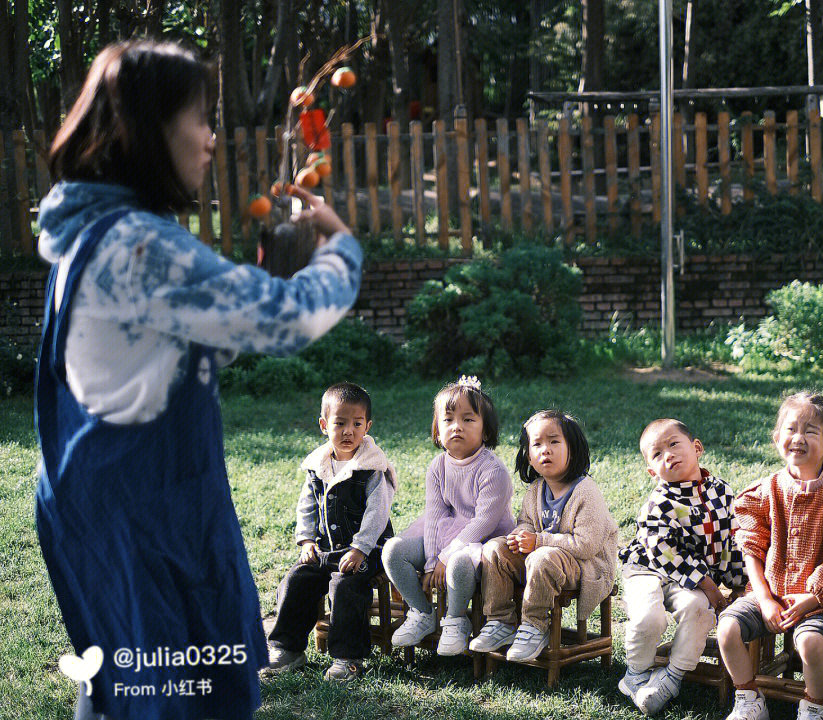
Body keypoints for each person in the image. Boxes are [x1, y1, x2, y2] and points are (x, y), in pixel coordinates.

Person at [34, 41, 363, 720]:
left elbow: (203, 338)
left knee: (135, 688)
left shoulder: (96, 231)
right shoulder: (138, 243)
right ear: (148, 128)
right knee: (177, 694)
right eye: (199, 117)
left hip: (114, 500)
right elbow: (286, 321)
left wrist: (276, 259)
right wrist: (339, 248)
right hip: (146, 510)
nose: (211, 138)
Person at [716, 392, 823, 720]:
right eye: (790, 429)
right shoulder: (764, 492)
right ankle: (748, 696)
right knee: (727, 629)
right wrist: (763, 599)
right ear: (777, 438)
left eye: (810, 431)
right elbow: (751, 549)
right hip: (769, 595)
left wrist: (811, 599)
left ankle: (814, 704)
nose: (798, 438)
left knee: (810, 644)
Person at [263, 383, 396, 681]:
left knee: (345, 586)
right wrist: (307, 540)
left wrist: (360, 548)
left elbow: (378, 513)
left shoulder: (371, 467)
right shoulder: (318, 465)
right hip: (326, 549)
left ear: (368, 426)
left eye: (357, 424)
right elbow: (307, 506)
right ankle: (288, 647)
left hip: (367, 550)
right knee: (298, 578)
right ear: (324, 425)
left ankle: (348, 657)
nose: (349, 431)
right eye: (340, 423)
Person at [618, 419, 748, 716]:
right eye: (657, 454)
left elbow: (730, 541)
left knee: (699, 609)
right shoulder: (660, 503)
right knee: (650, 618)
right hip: (647, 569)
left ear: (697, 447)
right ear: (652, 472)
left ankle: (672, 677)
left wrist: (740, 581)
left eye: (674, 444)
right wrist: (710, 585)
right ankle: (635, 675)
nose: (668, 455)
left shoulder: (722, 492)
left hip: (688, 581)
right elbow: (663, 553)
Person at [469, 410, 618, 662]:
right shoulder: (536, 489)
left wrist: (537, 541)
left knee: (543, 557)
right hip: (543, 560)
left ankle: (535, 626)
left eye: (554, 441)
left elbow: (586, 545)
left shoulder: (586, 492)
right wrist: (520, 535)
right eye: (536, 444)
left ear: (574, 447)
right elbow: (526, 523)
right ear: (528, 455)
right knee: (494, 548)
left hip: (584, 566)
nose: (545, 449)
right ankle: (500, 621)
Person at [383, 376, 514, 656]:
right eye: (449, 420)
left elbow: (483, 522)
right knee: (393, 550)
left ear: (486, 431)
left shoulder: (493, 470)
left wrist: (444, 557)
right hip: (447, 534)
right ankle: (422, 612)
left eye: (469, 419)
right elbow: (434, 516)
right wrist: (431, 561)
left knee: (458, 563)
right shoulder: (438, 466)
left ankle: (456, 620)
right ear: (438, 430)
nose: (457, 426)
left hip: (485, 541)